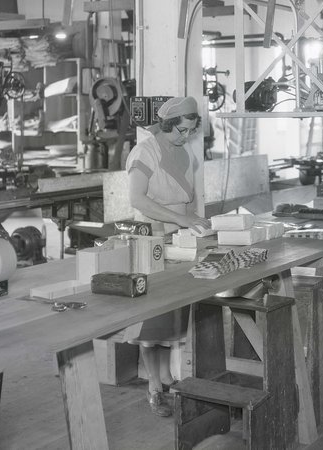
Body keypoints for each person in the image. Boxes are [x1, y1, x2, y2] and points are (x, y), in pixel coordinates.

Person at [125, 96, 211, 417]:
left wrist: (195, 229)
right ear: (167, 124)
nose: (185, 137)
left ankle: (166, 377)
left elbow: (187, 200)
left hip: (179, 238)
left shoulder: (185, 153)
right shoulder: (144, 152)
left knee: (175, 311)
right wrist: (182, 220)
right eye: (181, 131)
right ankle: (154, 388)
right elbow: (138, 199)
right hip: (153, 237)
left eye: (190, 131)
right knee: (154, 317)